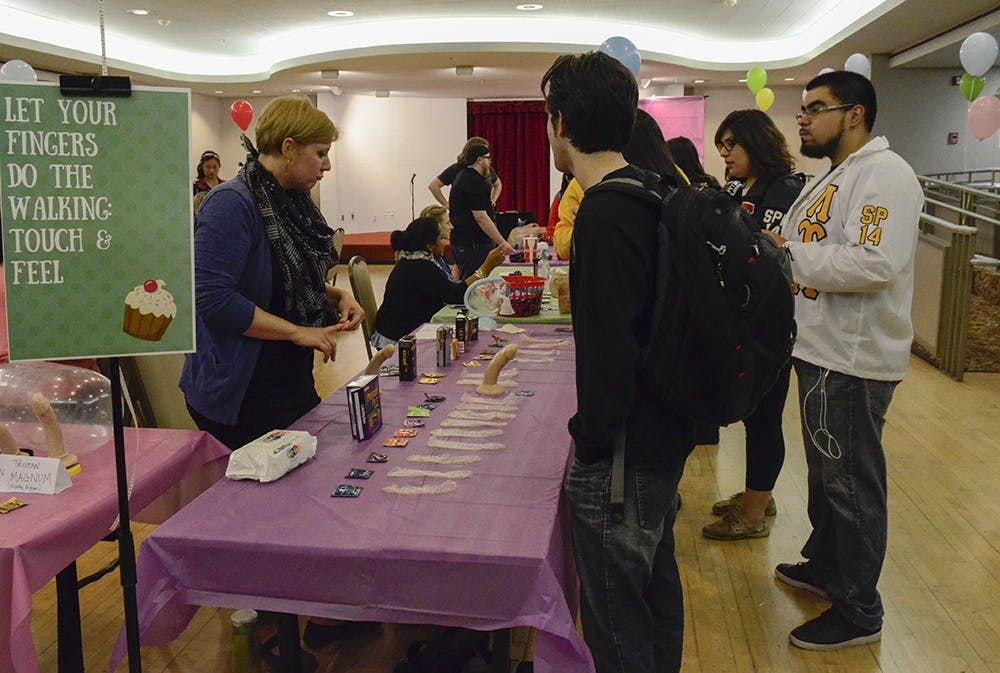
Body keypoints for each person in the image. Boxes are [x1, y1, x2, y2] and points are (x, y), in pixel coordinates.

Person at [543, 51, 694, 673]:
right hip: (666, 431)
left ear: (560, 123)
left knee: (614, 615)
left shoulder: (604, 210)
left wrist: (591, 441)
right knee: (655, 583)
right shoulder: (655, 189)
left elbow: (610, 353)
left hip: (623, 454)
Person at [763, 70, 922, 650]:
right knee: (828, 477)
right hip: (820, 350)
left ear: (854, 114)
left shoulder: (885, 175)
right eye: (803, 107)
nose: (801, 117)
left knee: (851, 484)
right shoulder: (841, 173)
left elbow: (874, 263)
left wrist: (790, 255)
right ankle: (829, 569)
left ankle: (859, 609)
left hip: (851, 359)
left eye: (815, 108)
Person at [180, 96, 364, 452]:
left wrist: (335, 295)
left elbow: (281, 276)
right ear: (289, 148)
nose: (326, 166)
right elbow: (214, 300)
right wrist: (298, 332)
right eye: (321, 153)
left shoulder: (287, 200)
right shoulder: (231, 203)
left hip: (281, 377)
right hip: (241, 389)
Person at [701, 109, 805, 541]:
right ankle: (758, 494)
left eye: (731, 145)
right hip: (744, 320)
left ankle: (754, 514)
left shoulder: (786, 188)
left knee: (764, 418)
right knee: (751, 414)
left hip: (771, 324)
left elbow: (764, 249)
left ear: (755, 142)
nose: (724, 154)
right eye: (720, 146)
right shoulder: (737, 187)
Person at [372, 216, 505, 347]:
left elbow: (452, 289)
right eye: (441, 239)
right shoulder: (420, 267)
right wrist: (486, 267)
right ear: (430, 246)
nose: (444, 242)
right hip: (399, 339)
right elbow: (456, 295)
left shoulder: (416, 261)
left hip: (397, 328)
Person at [448, 144, 514, 279]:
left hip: (472, 241)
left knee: (475, 280)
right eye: (487, 158)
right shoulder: (471, 180)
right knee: (473, 281)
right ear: (479, 160)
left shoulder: (470, 178)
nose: (489, 162)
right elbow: (481, 217)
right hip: (470, 242)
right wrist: (502, 242)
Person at [428, 137, 502, 207]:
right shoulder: (456, 169)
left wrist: (493, 200)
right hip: (463, 215)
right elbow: (433, 186)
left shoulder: (488, 169)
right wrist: (447, 205)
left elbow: (497, 184)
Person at [417, 204, 457, 278]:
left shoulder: (436, 252)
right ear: (437, 227)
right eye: (447, 223)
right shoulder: (427, 261)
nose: (451, 227)